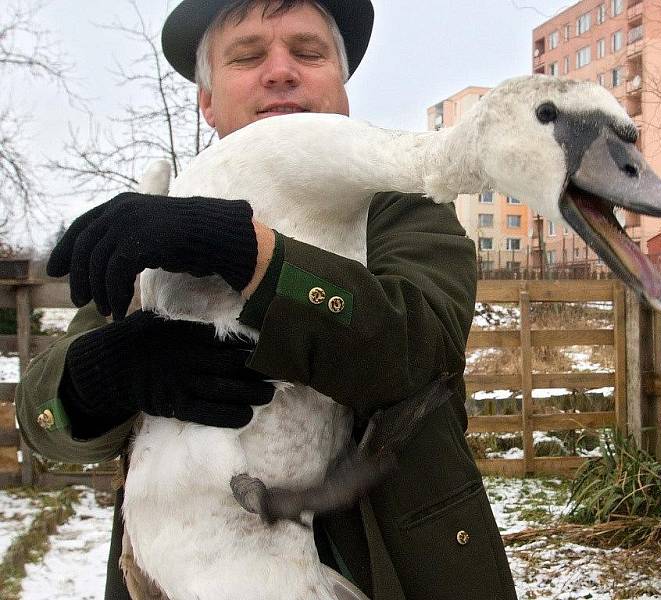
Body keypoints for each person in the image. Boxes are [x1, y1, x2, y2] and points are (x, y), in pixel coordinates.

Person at [15, 1, 517, 599]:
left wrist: (247, 252)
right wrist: (99, 376)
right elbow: (40, 420)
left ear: (342, 84)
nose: (280, 71)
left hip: (393, 577)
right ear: (207, 101)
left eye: (308, 52)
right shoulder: (152, 228)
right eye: (247, 57)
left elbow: (418, 347)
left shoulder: (403, 211)